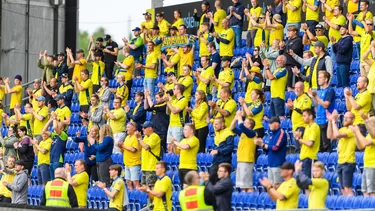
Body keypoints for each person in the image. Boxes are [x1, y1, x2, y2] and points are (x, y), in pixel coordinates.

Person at [327, 110, 356, 196]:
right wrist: (330, 121)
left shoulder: (352, 129)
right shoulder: (343, 129)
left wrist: (333, 121)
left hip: (348, 161)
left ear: (353, 119)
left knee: (348, 188)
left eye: (348, 118)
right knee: (343, 189)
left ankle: (352, 207)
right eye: (345, 117)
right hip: (340, 161)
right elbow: (329, 135)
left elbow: (337, 135)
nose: (345, 119)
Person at [256, 116, 287, 187]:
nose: (269, 125)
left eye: (271, 123)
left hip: (277, 163)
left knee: (277, 185)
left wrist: (263, 145)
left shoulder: (281, 133)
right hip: (270, 163)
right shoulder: (272, 134)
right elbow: (267, 148)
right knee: (271, 186)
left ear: (277, 124)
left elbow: (276, 147)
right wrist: (261, 145)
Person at [308, 71, 335, 152]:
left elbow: (326, 105)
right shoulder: (320, 91)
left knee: (326, 144)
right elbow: (317, 104)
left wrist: (316, 96)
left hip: (326, 120)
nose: (318, 79)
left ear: (326, 79)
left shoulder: (329, 90)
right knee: (320, 146)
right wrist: (312, 97)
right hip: (319, 119)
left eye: (320, 77)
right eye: (318, 77)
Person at [230, 111, 257, 192]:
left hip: (247, 160)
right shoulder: (243, 133)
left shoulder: (252, 133)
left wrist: (239, 117)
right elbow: (232, 128)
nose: (243, 123)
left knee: (247, 184)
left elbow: (241, 125)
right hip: (241, 159)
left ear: (249, 125)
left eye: (246, 122)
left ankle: (250, 199)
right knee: (242, 185)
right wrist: (235, 118)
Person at [350, 116, 375, 197]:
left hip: (373, 166)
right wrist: (355, 134)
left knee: (372, 191)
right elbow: (360, 146)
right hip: (367, 165)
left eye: (369, 123)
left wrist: (357, 132)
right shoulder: (369, 135)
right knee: (365, 191)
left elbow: (364, 143)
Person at [294, 109, 320, 179]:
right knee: (304, 183)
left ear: (311, 116)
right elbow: (303, 143)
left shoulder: (314, 127)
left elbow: (310, 143)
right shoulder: (307, 127)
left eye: (304, 116)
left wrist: (299, 139)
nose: (303, 118)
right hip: (304, 157)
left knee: (308, 183)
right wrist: (298, 137)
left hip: (310, 158)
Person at [286, 82, 312, 151]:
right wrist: (291, 107)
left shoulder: (305, 98)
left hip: (302, 126)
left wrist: (293, 107)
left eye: (298, 88)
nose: (296, 89)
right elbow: (295, 109)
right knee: (297, 148)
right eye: (295, 88)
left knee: (300, 148)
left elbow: (305, 112)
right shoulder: (296, 99)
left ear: (303, 89)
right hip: (295, 127)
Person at [137, 121, 161, 188]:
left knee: (150, 187)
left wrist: (139, 138)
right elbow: (139, 148)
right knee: (144, 187)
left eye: (144, 128)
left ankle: (152, 199)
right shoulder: (145, 137)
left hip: (151, 167)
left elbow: (146, 147)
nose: (143, 129)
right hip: (144, 166)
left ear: (150, 128)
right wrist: (138, 139)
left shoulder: (154, 136)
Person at [118, 122, 141, 190]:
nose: (126, 129)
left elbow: (133, 149)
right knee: (128, 182)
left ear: (134, 128)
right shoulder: (127, 137)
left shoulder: (136, 137)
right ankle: (131, 197)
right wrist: (120, 147)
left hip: (134, 163)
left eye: (128, 127)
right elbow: (124, 150)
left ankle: (138, 196)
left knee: (135, 182)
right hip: (127, 163)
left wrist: (123, 146)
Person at [44, 115, 68, 180]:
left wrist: (54, 118)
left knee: (58, 180)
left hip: (58, 160)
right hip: (52, 160)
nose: (56, 124)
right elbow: (44, 131)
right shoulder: (54, 135)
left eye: (58, 124)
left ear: (62, 128)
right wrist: (50, 120)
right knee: (52, 181)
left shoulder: (63, 135)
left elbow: (54, 127)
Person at [279, 25, 303, 91]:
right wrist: (281, 48)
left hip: (293, 66)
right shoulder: (287, 41)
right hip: (285, 66)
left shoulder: (298, 40)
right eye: (288, 31)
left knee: (291, 87)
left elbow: (292, 52)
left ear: (295, 32)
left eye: (290, 31)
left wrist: (284, 47)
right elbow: (281, 53)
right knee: (286, 86)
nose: (288, 32)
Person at [165, 84, 188, 151]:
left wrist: (168, 102)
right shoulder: (174, 100)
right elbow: (168, 112)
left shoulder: (183, 100)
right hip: (171, 125)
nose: (173, 90)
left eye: (174, 89)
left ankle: (176, 161)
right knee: (169, 147)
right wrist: (168, 102)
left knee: (177, 147)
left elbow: (175, 111)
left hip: (178, 126)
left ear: (178, 90)